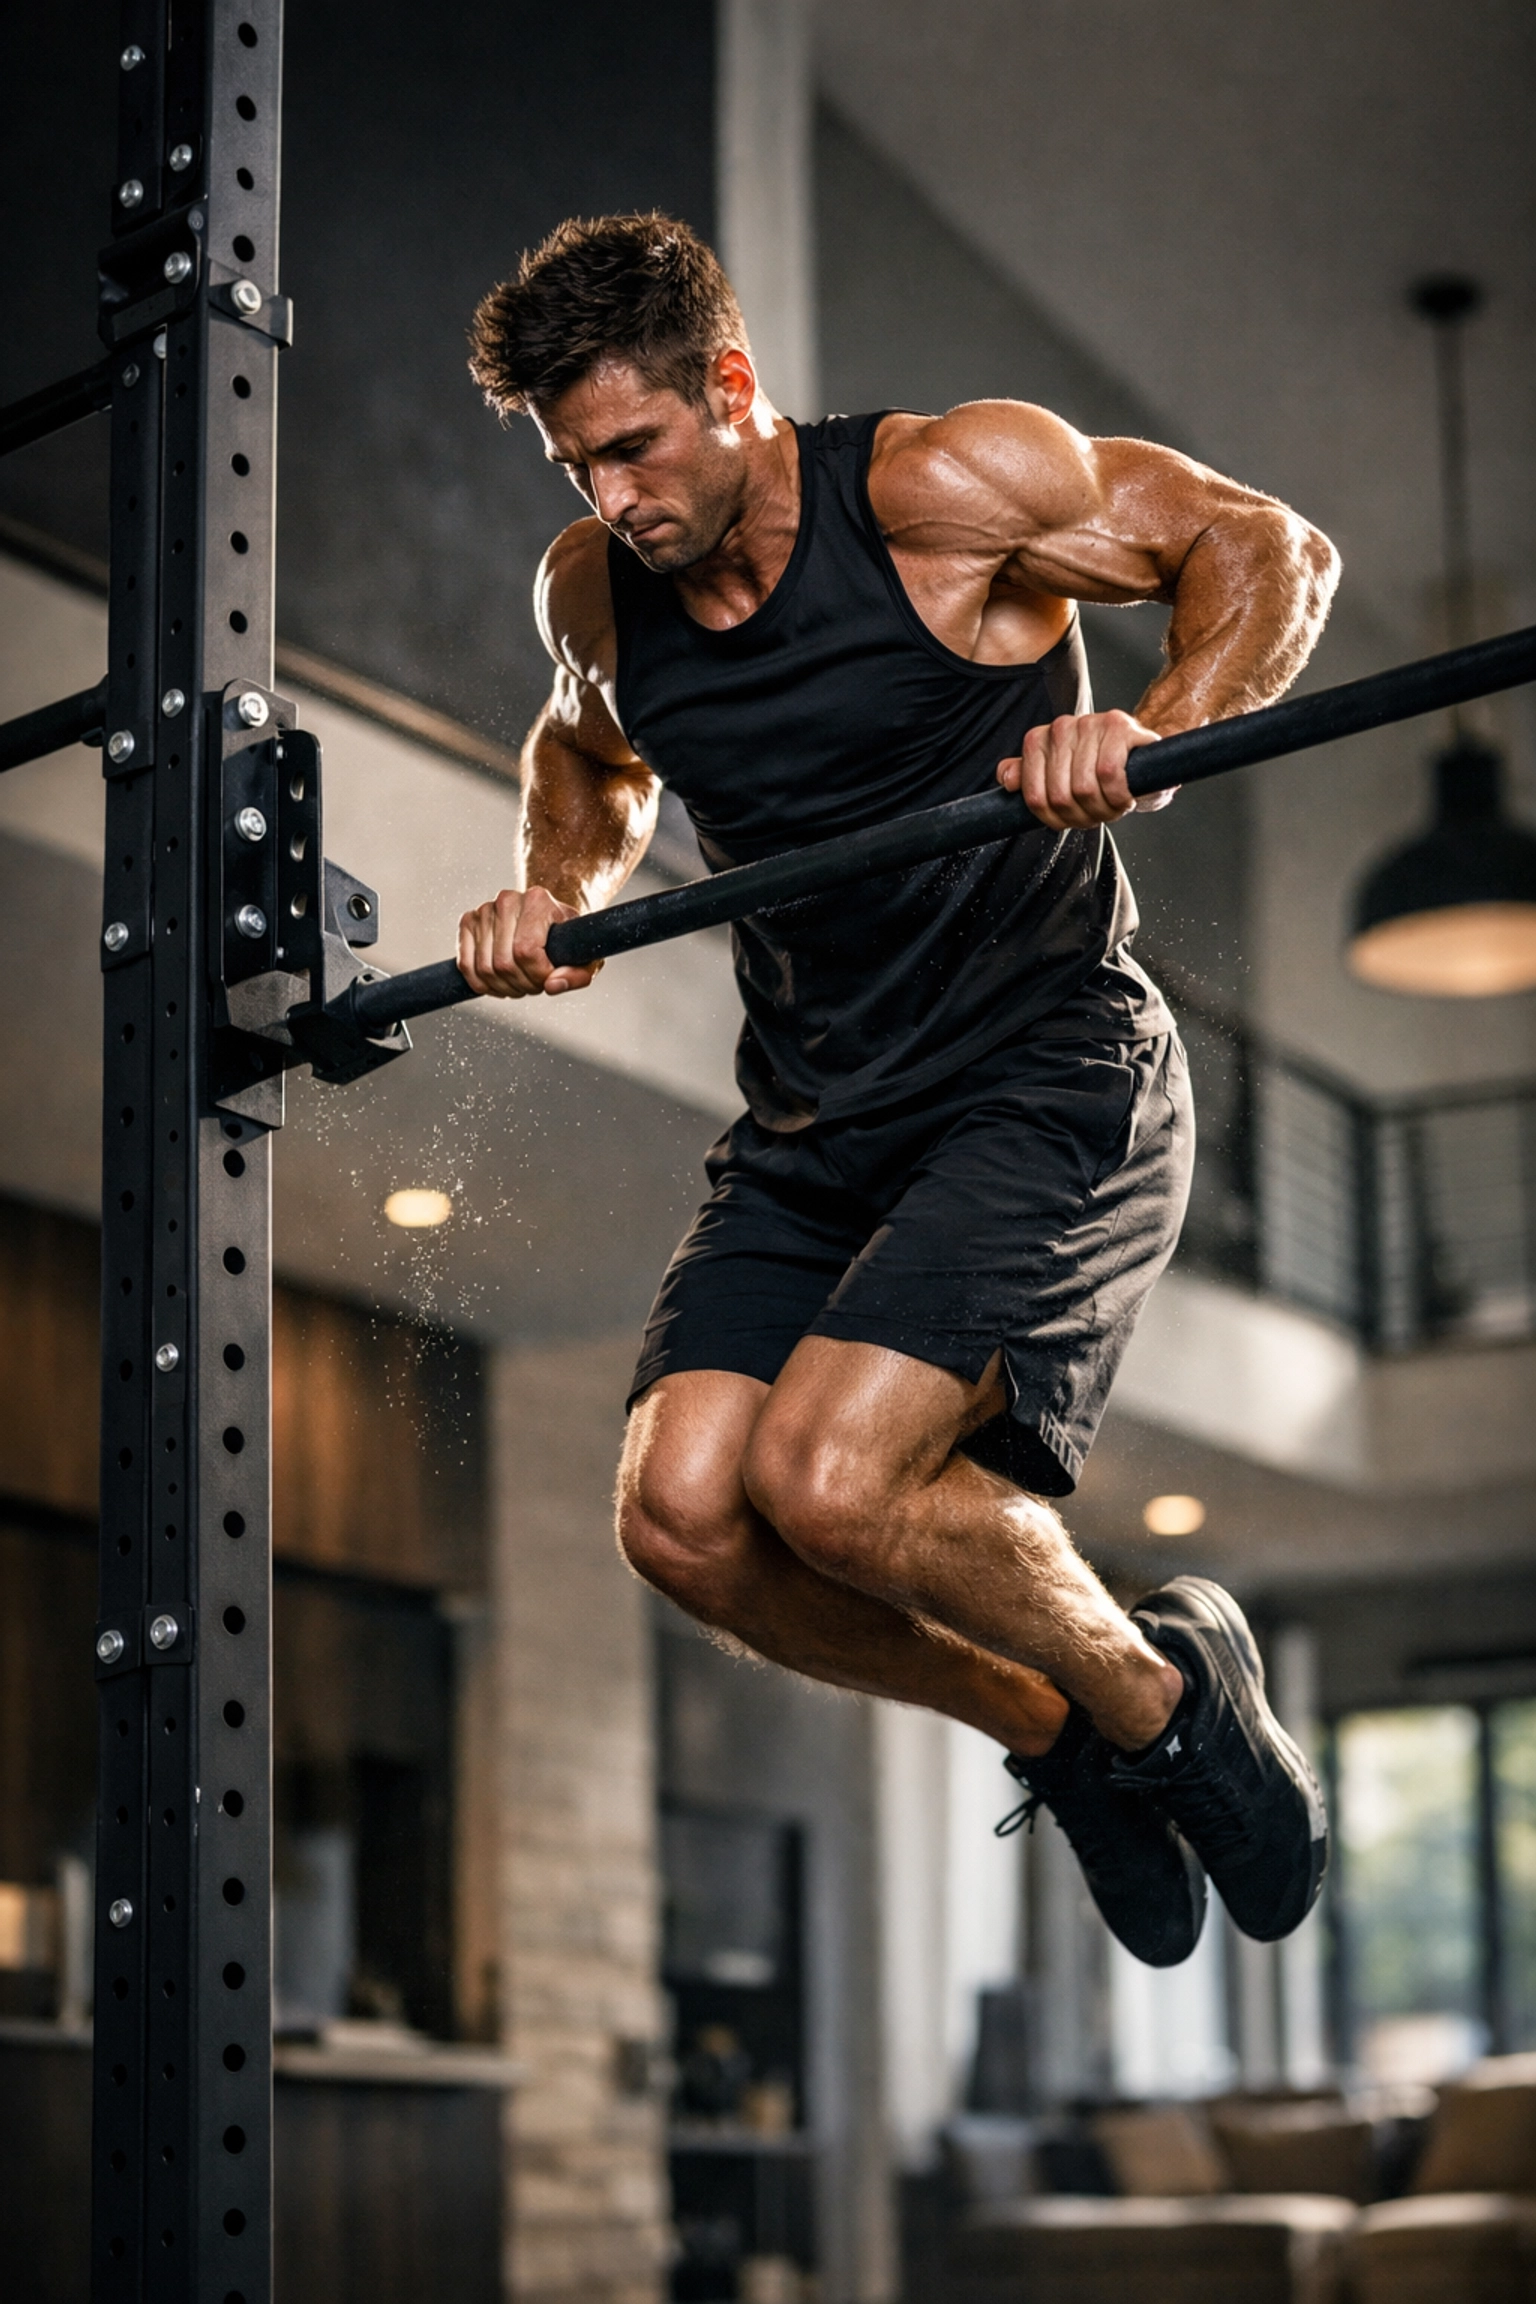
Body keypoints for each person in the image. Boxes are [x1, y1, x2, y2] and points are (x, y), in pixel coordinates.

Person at [459, 214, 1339, 1966]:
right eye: (580, 462)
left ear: (729, 386)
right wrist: (562, 889)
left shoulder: (951, 486)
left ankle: (1172, 1700)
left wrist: (1159, 724)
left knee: (834, 1483)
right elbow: (588, 754)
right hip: (815, 1120)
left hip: (1046, 1070)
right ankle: (1065, 1732)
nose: (615, 494)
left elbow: (1266, 546)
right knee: (685, 1520)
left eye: (635, 446)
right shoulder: (595, 591)